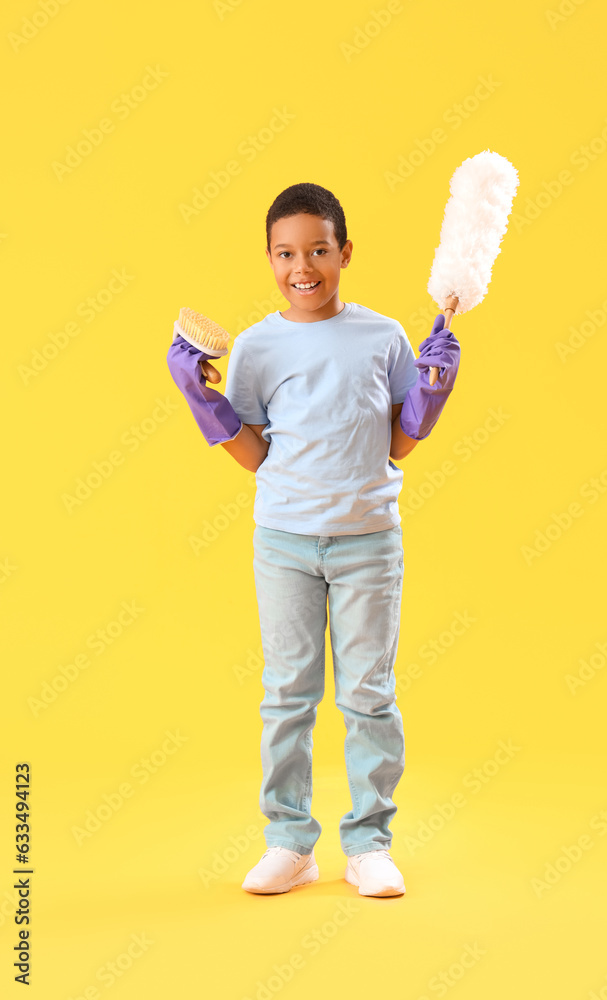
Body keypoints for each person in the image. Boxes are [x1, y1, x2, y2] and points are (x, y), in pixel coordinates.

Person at [166, 182, 460, 897]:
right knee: (286, 695)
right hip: (285, 543)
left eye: (318, 250)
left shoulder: (383, 335)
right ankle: (290, 841)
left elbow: (396, 440)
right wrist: (204, 404)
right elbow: (255, 454)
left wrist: (428, 401)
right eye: (286, 253)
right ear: (269, 259)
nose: (303, 266)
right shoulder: (260, 346)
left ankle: (368, 844)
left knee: (367, 694)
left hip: (366, 541)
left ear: (344, 253)